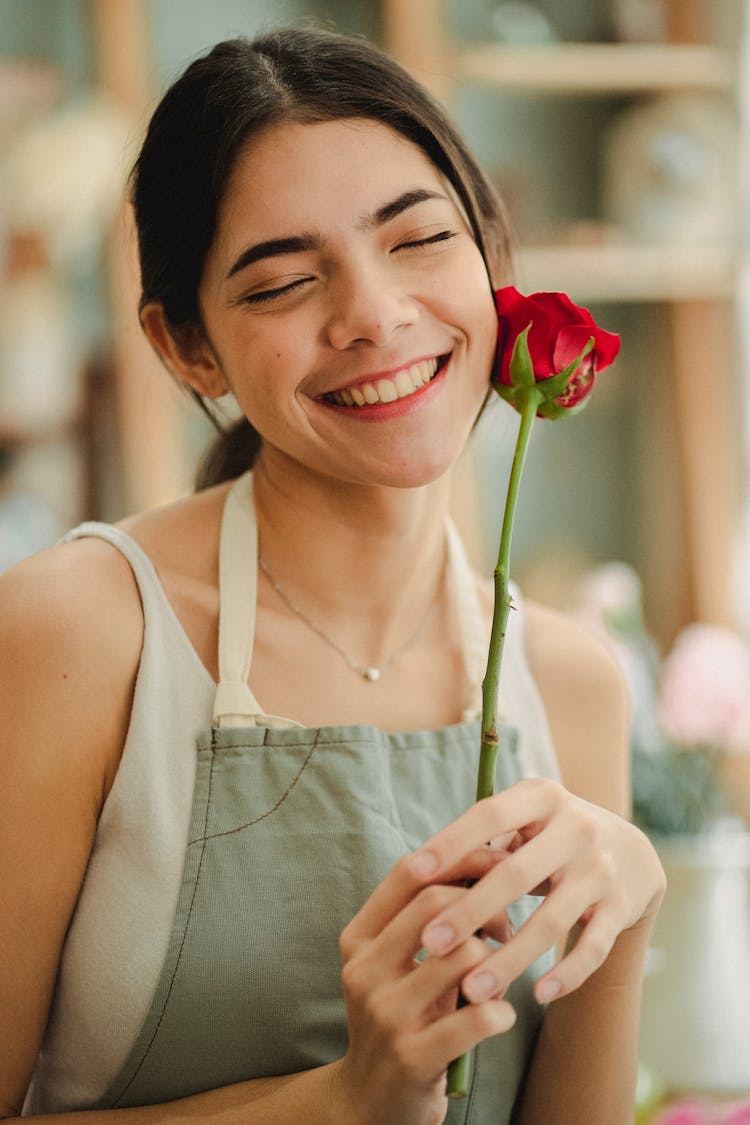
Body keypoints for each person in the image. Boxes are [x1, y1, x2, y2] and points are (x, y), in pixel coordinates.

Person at [0, 26, 665, 1125]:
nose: (374, 314)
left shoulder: (572, 683)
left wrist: (629, 910)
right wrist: (346, 1096)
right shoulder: (73, 634)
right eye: (286, 283)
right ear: (186, 349)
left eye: (419, 241)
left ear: (496, 258)